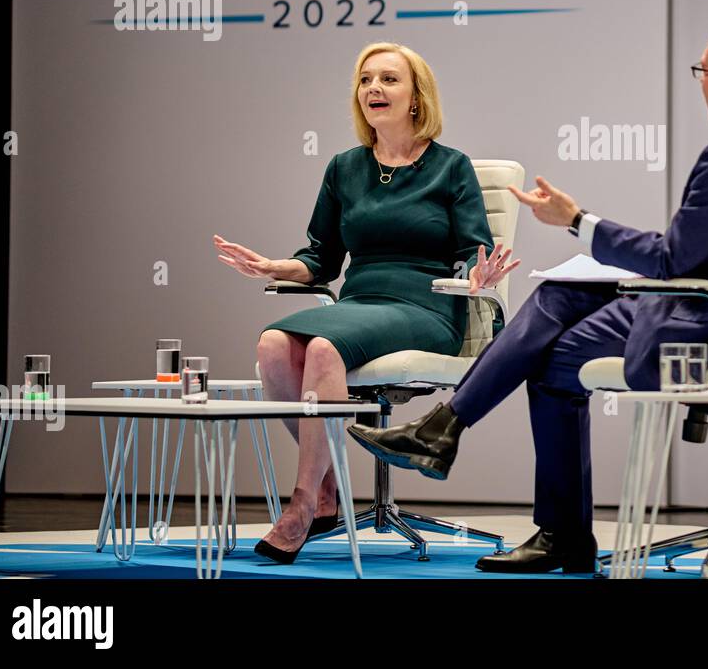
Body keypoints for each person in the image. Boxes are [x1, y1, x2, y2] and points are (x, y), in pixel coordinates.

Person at [348, 11, 708, 573]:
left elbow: (672, 259)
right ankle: (444, 432)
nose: (700, 80)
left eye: (702, 69)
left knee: (552, 358)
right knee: (560, 296)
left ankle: (541, 515)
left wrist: (578, 221)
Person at [213, 42, 518, 564]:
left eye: (389, 80)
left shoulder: (451, 168)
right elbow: (319, 258)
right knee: (272, 345)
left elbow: (472, 251)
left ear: (416, 97)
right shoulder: (344, 168)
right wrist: (273, 266)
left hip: (426, 307)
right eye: (365, 80)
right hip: (358, 301)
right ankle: (329, 488)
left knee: (325, 349)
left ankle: (304, 503)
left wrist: (476, 275)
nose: (374, 88)